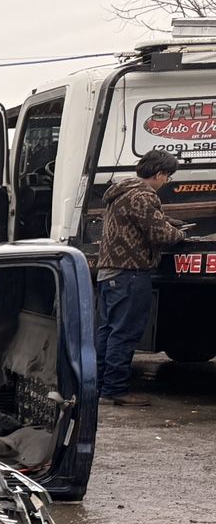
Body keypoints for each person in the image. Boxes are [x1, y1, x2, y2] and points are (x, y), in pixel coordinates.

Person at [95, 149, 190, 405]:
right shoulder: (144, 195)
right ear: (159, 173)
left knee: (108, 332)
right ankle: (115, 389)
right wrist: (180, 234)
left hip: (109, 272)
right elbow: (161, 235)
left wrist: (166, 221)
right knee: (125, 333)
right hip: (130, 273)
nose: (166, 182)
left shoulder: (122, 191)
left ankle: (100, 387)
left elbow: (135, 223)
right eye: (167, 176)